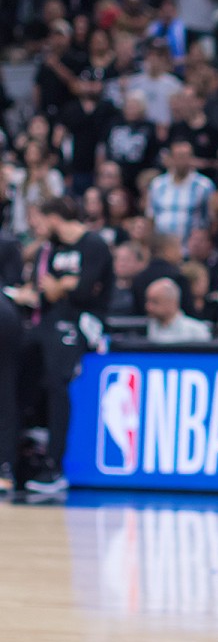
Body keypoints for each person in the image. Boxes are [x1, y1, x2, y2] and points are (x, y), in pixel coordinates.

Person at [16, 198, 112, 494]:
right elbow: (45, 290)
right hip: (51, 320)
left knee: (58, 381)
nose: (35, 227)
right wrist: (61, 286)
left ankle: (55, 467)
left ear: (54, 218)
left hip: (84, 321)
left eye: (39, 220)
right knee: (19, 365)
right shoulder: (51, 249)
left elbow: (84, 290)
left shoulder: (93, 244)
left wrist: (63, 286)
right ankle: (23, 448)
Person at [143, 276, 211, 343]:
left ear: (171, 302)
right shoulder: (145, 330)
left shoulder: (197, 332)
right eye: (148, 301)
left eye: (155, 302)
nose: (148, 307)